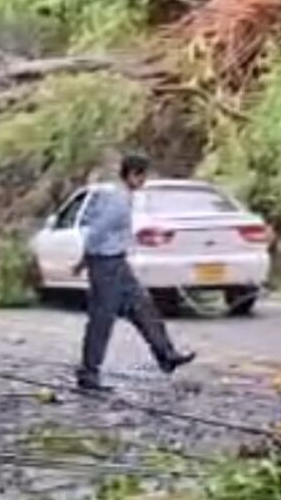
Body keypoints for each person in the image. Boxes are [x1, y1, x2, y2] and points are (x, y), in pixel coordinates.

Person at [75, 153, 195, 393]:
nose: (144, 182)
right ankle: (89, 372)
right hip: (105, 264)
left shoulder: (122, 196)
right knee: (102, 319)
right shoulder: (117, 200)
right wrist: (85, 260)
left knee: (143, 306)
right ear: (132, 175)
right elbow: (97, 231)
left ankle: (166, 354)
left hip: (118, 262)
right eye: (142, 176)